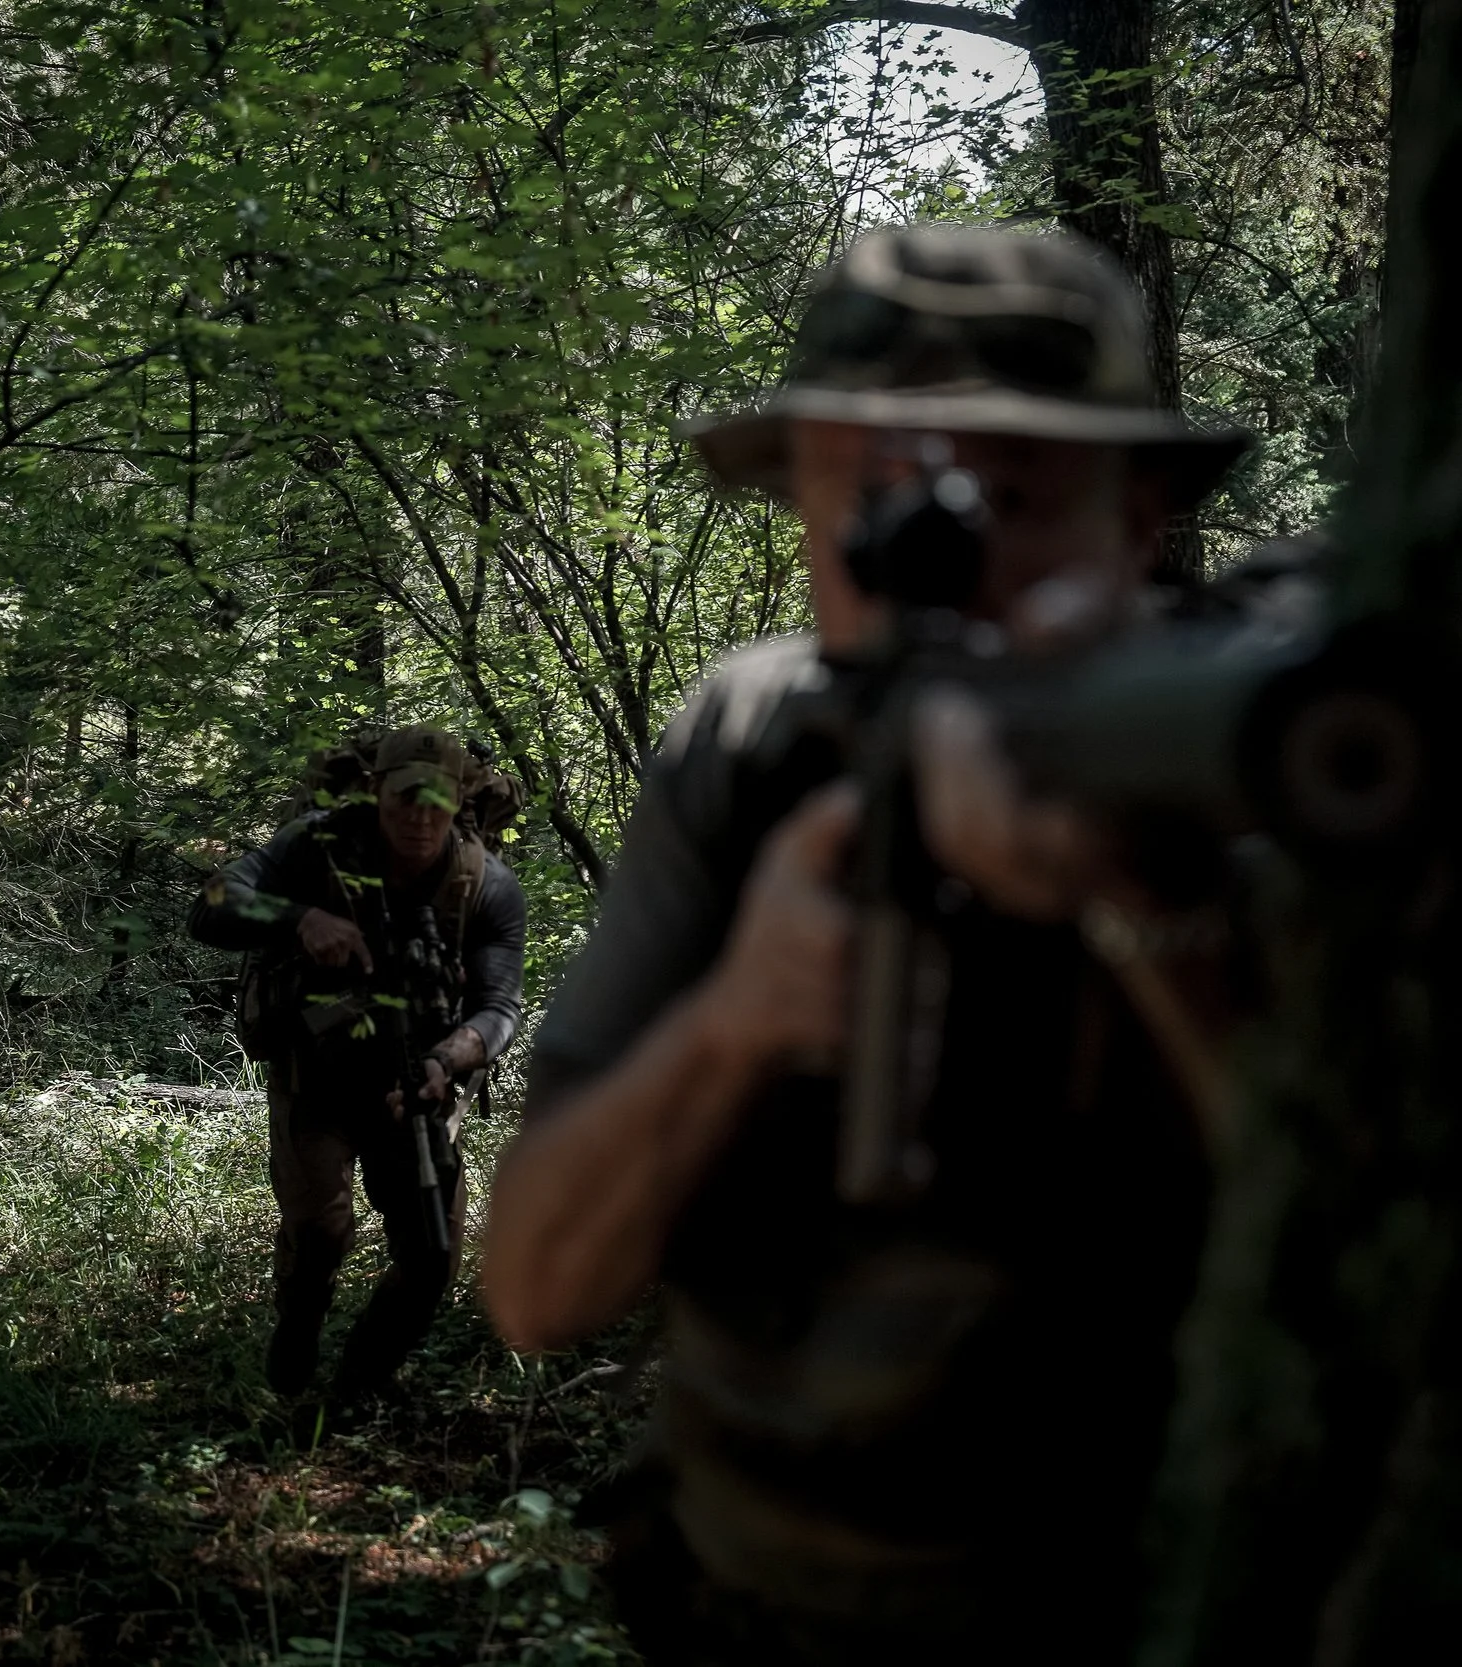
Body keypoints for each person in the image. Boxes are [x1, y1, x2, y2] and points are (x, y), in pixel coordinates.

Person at [480, 225, 1251, 1662]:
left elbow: (1394, 1273)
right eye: (869, 498)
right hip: (753, 1602)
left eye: (1002, 496)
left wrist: (1146, 900)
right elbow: (536, 1285)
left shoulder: (1236, 750)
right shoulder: (754, 740)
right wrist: (740, 1017)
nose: (929, 562)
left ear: (1136, 513)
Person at [191, 725, 526, 1405]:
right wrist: (297, 918)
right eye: (406, 795)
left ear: (459, 798)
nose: (421, 814)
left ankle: (355, 1388)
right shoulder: (315, 845)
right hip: (315, 1068)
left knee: (433, 1253)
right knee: (318, 1232)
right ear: (377, 791)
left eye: (438, 798)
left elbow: (498, 1006)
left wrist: (446, 1060)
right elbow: (211, 906)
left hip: (413, 1078)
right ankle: (299, 1333)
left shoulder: (486, 884)